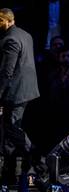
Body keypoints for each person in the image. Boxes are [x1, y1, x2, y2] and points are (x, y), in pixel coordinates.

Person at [0, 8, 40, 191]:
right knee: (10, 129)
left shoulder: (10, 39)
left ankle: (39, 163)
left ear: (7, 20)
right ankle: (8, 172)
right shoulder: (26, 35)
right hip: (26, 90)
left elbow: (7, 72)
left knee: (13, 128)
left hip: (15, 91)